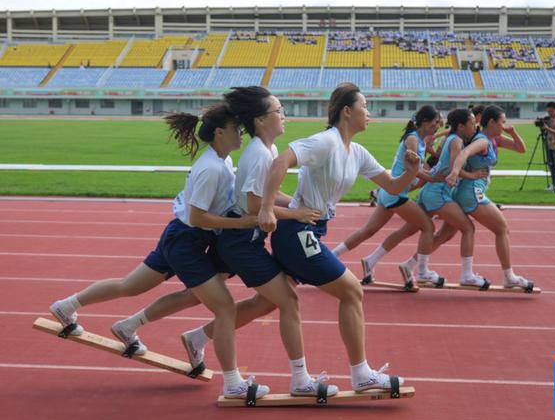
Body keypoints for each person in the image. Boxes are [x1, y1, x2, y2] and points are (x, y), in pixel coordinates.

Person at [109, 87, 336, 398]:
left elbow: (265, 198)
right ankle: (293, 380)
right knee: (284, 301)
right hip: (241, 240)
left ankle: (186, 337)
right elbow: (257, 207)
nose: (285, 116)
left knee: (204, 297)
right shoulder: (258, 155)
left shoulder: (266, 150)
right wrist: (295, 211)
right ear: (260, 119)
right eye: (279, 110)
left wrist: (299, 204)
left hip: (242, 238)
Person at [49, 99, 271, 400]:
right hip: (187, 239)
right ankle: (233, 382)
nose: (241, 133)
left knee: (134, 286)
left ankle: (79, 310)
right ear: (219, 132)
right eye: (236, 128)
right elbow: (197, 216)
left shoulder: (221, 162)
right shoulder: (211, 169)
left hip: (182, 236)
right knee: (224, 307)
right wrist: (243, 222)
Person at [257, 82, 418, 392]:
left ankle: (199, 337)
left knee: (263, 304)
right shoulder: (325, 143)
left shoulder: (355, 152)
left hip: (312, 230)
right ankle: (361, 374)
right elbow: (280, 163)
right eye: (365, 107)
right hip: (297, 231)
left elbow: (394, 187)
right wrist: (266, 208)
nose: (369, 113)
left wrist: (411, 172)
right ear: (347, 111)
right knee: (351, 290)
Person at [362, 109, 489, 287]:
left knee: (414, 231)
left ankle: (379, 261)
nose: (475, 126)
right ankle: (455, 274)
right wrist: (474, 175)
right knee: (467, 228)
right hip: (437, 193)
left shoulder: (453, 138)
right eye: (472, 123)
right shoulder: (456, 141)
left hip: (432, 191)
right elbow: (455, 168)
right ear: (461, 126)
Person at [332, 105, 443, 284]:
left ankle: (355, 259)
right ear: (424, 122)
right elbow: (413, 167)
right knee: (428, 227)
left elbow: (416, 169)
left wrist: (429, 175)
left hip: (391, 192)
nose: (437, 126)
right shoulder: (413, 139)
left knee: (368, 231)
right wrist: (432, 177)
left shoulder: (420, 140)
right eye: (435, 122)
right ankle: (422, 271)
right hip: (395, 193)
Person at [447, 105, 534, 291]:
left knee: (445, 234)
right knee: (502, 229)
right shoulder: (483, 141)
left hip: (466, 192)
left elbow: (521, 149)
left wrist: (513, 132)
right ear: (492, 122)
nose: (504, 125)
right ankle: (509, 276)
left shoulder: (495, 139)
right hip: (471, 193)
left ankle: (413, 265)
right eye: (502, 122)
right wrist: (455, 172)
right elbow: (463, 153)